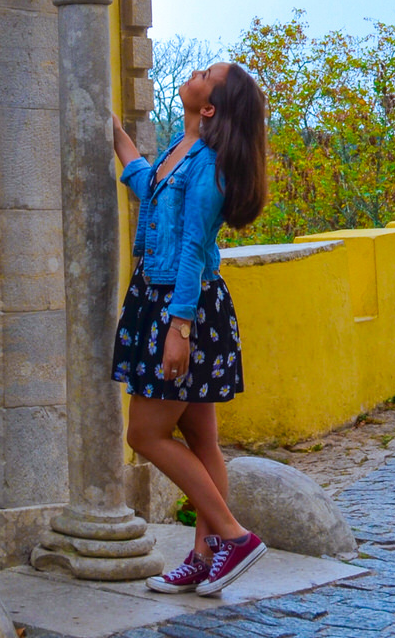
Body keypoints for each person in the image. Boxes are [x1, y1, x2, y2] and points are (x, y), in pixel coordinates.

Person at [111, 61, 269, 596]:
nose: (196, 70)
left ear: (209, 108)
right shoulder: (182, 151)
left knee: (146, 433)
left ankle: (233, 537)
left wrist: (177, 328)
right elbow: (145, 182)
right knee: (202, 440)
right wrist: (114, 133)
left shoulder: (209, 167)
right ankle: (203, 557)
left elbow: (193, 249)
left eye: (206, 74)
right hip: (169, 303)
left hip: (184, 308)